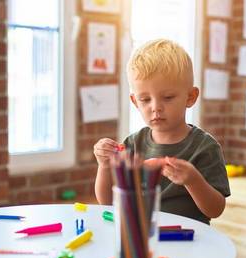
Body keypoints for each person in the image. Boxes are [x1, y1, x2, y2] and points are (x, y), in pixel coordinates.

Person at [94, 38, 230, 225]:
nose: (156, 108)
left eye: (168, 97)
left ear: (190, 97)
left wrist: (192, 180)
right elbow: (106, 201)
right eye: (145, 99)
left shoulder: (205, 147)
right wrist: (104, 166)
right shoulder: (132, 144)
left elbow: (215, 210)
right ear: (135, 102)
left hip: (188, 238)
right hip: (142, 236)